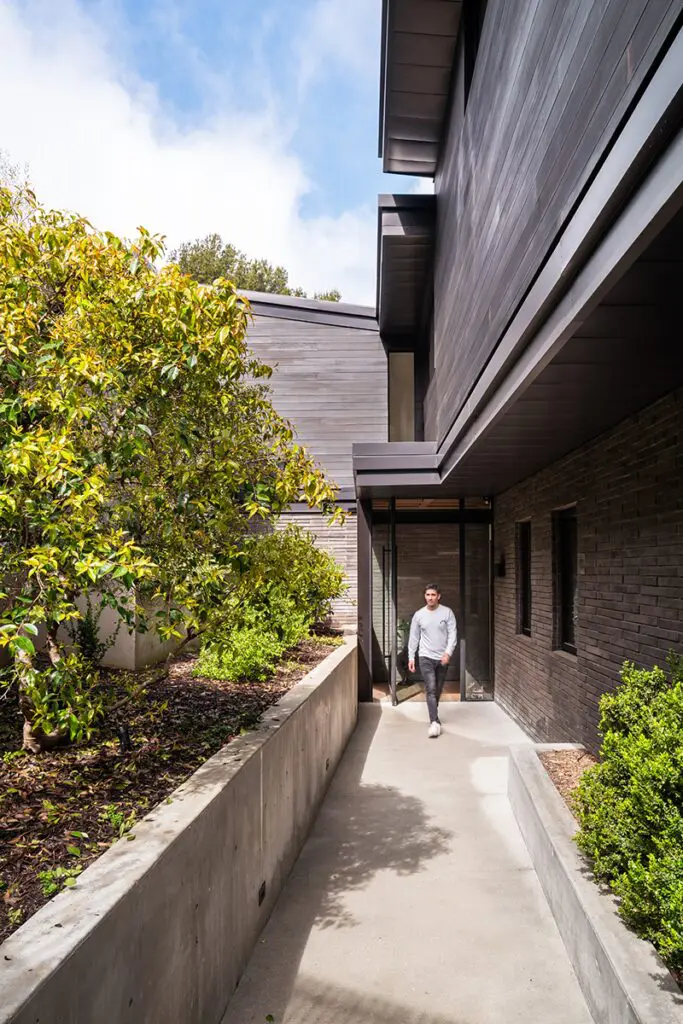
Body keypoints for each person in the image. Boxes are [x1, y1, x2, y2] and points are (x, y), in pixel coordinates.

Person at [408, 584, 457, 738]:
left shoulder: (447, 613)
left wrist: (448, 653)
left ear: (438, 596)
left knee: (437, 689)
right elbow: (414, 637)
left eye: (433, 595)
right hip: (425, 657)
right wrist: (411, 657)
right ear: (425, 596)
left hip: (442, 658)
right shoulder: (419, 615)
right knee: (430, 688)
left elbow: (453, 634)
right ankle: (434, 722)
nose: (430, 597)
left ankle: (433, 715)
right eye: (428, 595)